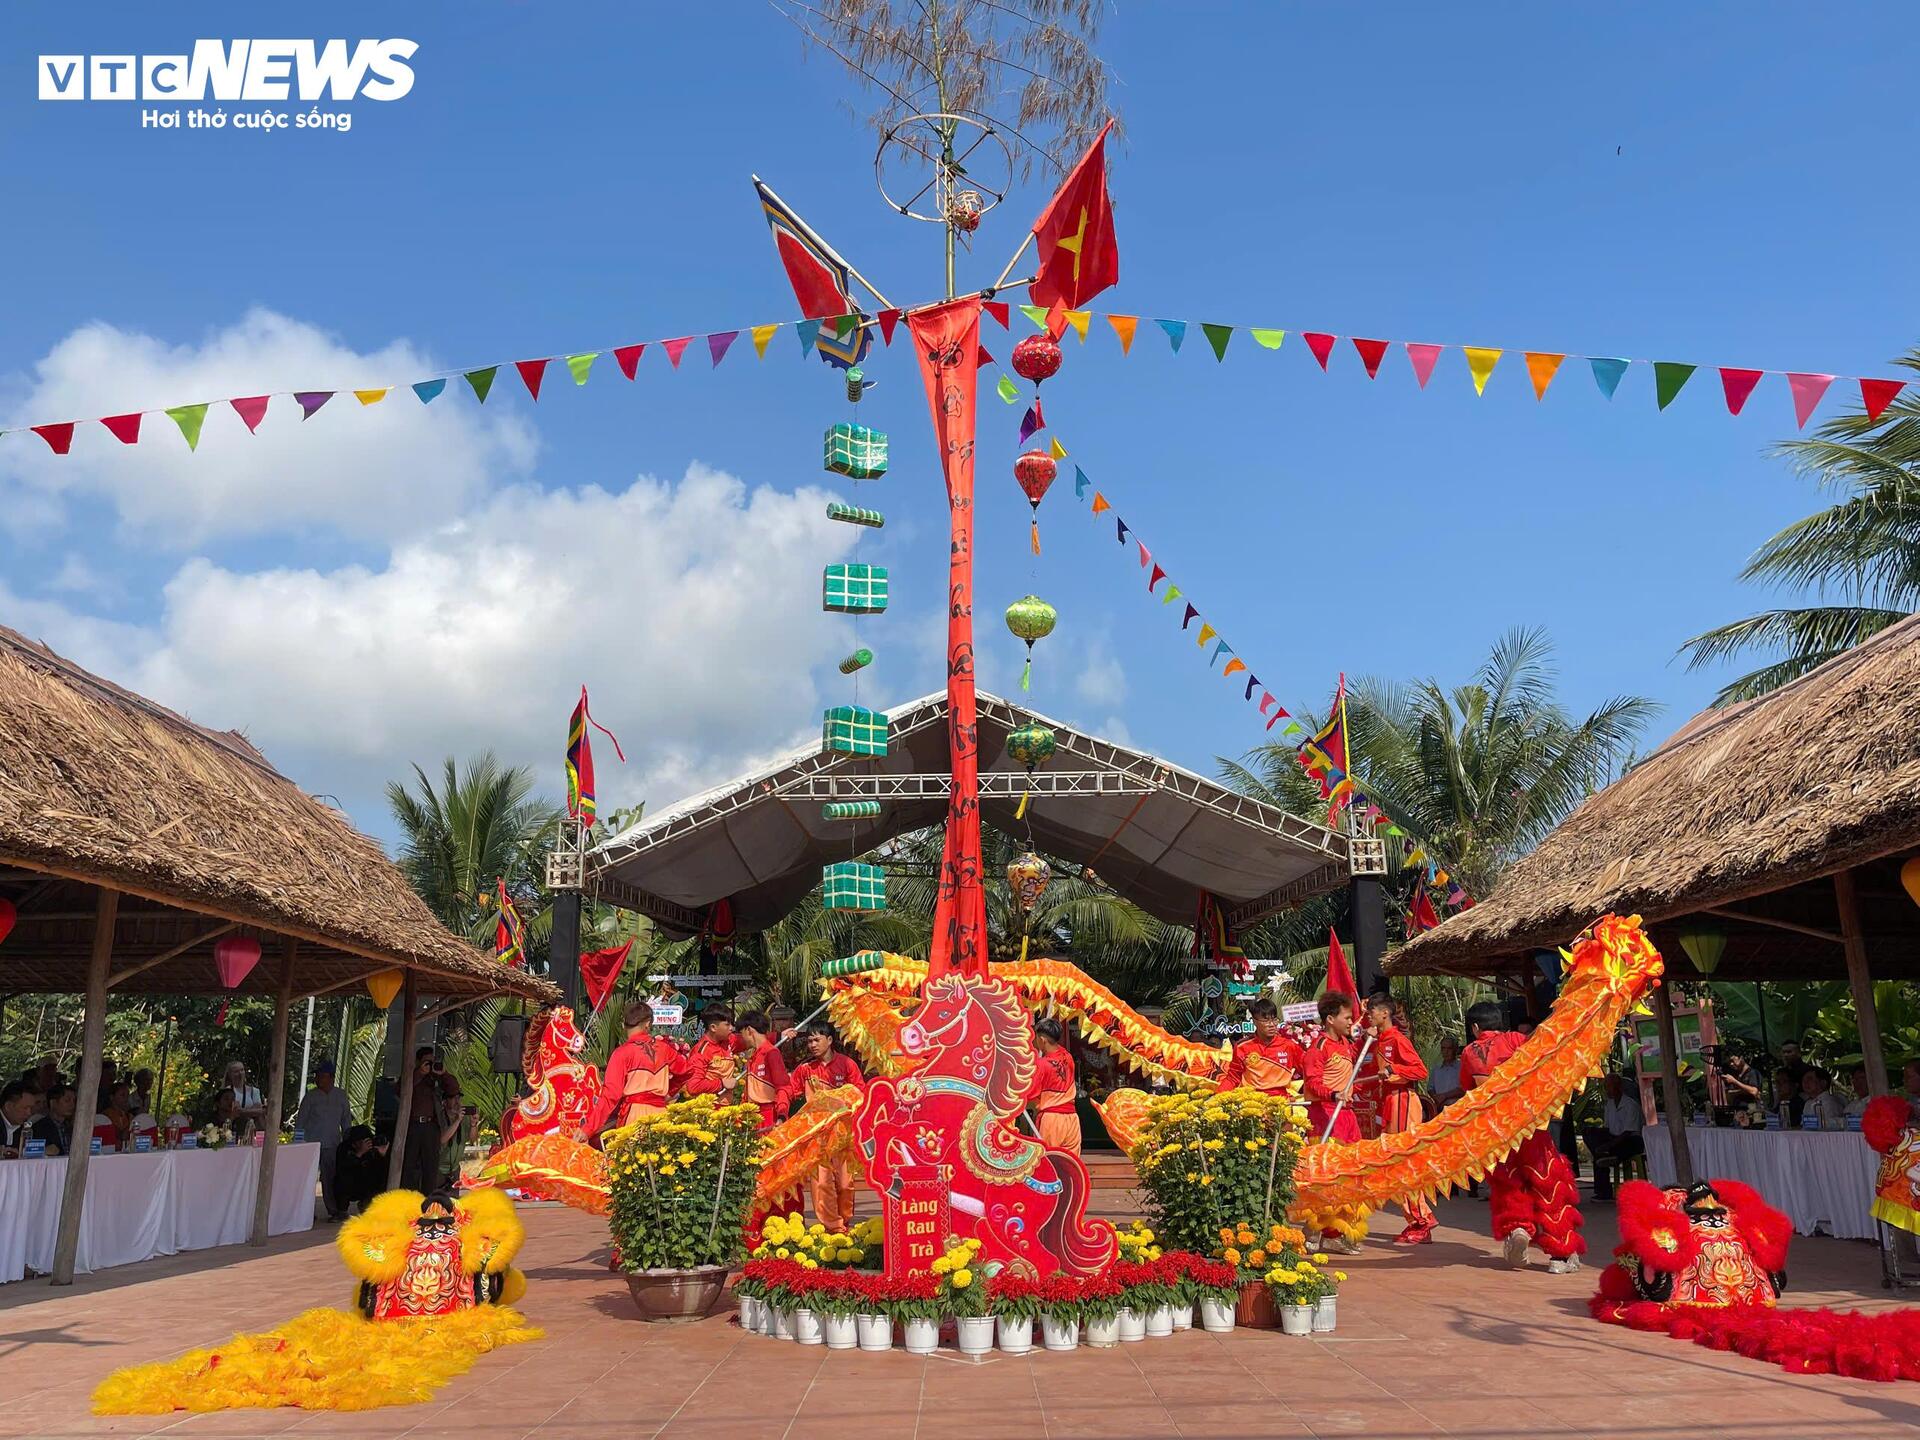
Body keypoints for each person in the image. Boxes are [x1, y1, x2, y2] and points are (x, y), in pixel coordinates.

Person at [1461, 999, 1584, 1273]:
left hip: (1496, 1131)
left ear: (1475, 1027)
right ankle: (1561, 1255)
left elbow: (1469, 1090)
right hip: (1529, 1126)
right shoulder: (1517, 1039)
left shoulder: (1469, 1052)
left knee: (1508, 1186)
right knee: (1548, 1183)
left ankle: (1518, 1229)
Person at [1358, 993, 1434, 1244]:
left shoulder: (1397, 1040)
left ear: (1384, 1014)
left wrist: (1394, 1071)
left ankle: (1422, 1220)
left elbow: (1420, 1071)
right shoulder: (1379, 1041)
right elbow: (1369, 1073)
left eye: (1372, 1012)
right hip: (1389, 1103)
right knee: (1394, 1164)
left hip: (1402, 1100)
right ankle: (1416, 1220)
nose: (1369, 1016)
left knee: (1403, 1163)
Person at [788, 1023, 864, 1231]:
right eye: (809, 1041)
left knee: (845, 1183)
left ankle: (845, 1220)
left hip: (842, 1135)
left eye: (816, 1040)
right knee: (821, 1183)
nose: (812, 1045)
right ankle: (833, 1227)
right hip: (817, 1135)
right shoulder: (805, 1069)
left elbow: (860, 1092)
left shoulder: (847, 1065)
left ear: (829, 1040)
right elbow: (790, 1091)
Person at [578, 1001, 690, 1143]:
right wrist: (669, 1092)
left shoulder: (621, 1053)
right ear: (648, 1023)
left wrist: (588, 1129)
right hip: (661, 1117)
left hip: (633, 1116)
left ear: (624, 1025)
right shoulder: (664, 1049)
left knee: (632, 1160)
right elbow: (686, 1071)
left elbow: (610, 1095)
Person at [297, 1058, 354, 1221]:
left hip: (332, 1143)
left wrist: (348, 1140)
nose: (317, 1079)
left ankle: (334, 1210)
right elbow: (300, 1121)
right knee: (308, 1180)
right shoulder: (310, 1097)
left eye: (321, 1075)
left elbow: (346, 1120)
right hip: (311, 1144)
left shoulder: (341, 1095)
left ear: (330, 1077)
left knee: (330, 1177)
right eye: (316, 1076)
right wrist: (298, 1142)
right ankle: (306, 1210)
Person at [1215, 999, 1306, 1095]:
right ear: (1254, 1022)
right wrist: (1217, 1097)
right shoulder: (1242, 1047)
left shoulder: (1288, 1046)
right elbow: (1233, 1078)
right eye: (1266, 1020)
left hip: (1280, 1102)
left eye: (1274, 1019)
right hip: (1252, 1102)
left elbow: (1310, 1070)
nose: (1271, 1025)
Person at [1579, 1074, 1646, 1201]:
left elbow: (1628, 1132)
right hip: (1613, 1137)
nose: (1607, 1090)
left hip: (1630, 1140)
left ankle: (1607, 1157)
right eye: (1606, 1087)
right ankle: (1604, 1156)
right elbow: (1608, 1128)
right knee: (1590, 1133)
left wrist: (1608, 1145)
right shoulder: (1609, 1104)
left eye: (1610, 1087)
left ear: (1618, 1087)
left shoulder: (1630, 1105)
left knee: (1608, 1151)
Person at [400, 1046, 453, 1193]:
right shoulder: (411, 1076)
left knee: (430, 1165)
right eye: (426, 1062)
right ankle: (407, 1197)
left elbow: (453, 1090)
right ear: (418, 1062)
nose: (429, 1065)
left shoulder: (436, 1078)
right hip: (414, 1125)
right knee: (409, 1165)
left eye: (431, 1062)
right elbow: (400, 1090)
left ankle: (428, 1199)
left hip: (431, 1126)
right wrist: (419, 1074)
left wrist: (443, 1074)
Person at [1024, 1018, 1081, 1155]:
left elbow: (1031, 1094)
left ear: (1042, 1039)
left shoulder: (1042, 1065)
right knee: (1071, 1163)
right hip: (1072, 1119)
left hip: (1051, 1120)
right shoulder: (1068, 1057)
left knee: (1047, 1163)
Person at [735, 1012, 791, 1131]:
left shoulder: (771, 1053)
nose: (741, 1039)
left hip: (769, 1116)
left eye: (741, 1034)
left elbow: (783, 1086)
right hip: (753, 1116)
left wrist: (782, 1114)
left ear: (749, 1030)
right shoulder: (754, 1056)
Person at [681, 1006, 743, 1097]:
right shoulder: (701, 1051)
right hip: (709, 1108)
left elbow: (753, 1039)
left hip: (727, 1108)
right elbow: (693, 1086)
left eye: (732, 1024)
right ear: (713, 1027)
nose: (731, 1028)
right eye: (727, 1024)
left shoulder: (729, 1040)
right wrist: (722, 1084)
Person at [332, 1124, 389, 1214]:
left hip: (367, 1184)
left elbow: (382, 1172)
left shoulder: (373, 1149)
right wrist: (359, 1153)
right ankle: (341, 1210)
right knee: (340, 1182)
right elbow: (343, 1169)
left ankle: (367, 1203)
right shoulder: (344, 1148)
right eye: (362, 1141)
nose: (366, 1143)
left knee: (381, 1182)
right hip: (351, 1184)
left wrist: (382, 1155)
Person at [31, 1083, 77, 1156]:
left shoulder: (73, 1126)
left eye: (74, 1101)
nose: (72, 1105)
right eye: (67, 1100)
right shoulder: (40, 1128)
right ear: (53, 1103)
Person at [223, 1062, 266, 1139]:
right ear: (230, 1074)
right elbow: (230, 1113)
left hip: (252, 1132)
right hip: (233, 1132)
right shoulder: (226, 1091)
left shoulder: (254, 1091)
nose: (240, 1074)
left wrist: (242, 1111)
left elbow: (259, 1111)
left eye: (242, 1070)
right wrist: (252, 1110)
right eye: (236, 1071)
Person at [0, 1082, 36, 1157]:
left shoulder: (27, 1128)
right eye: (25, 1108)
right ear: (8, 1106)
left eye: (31, 1108)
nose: (29, 1113)